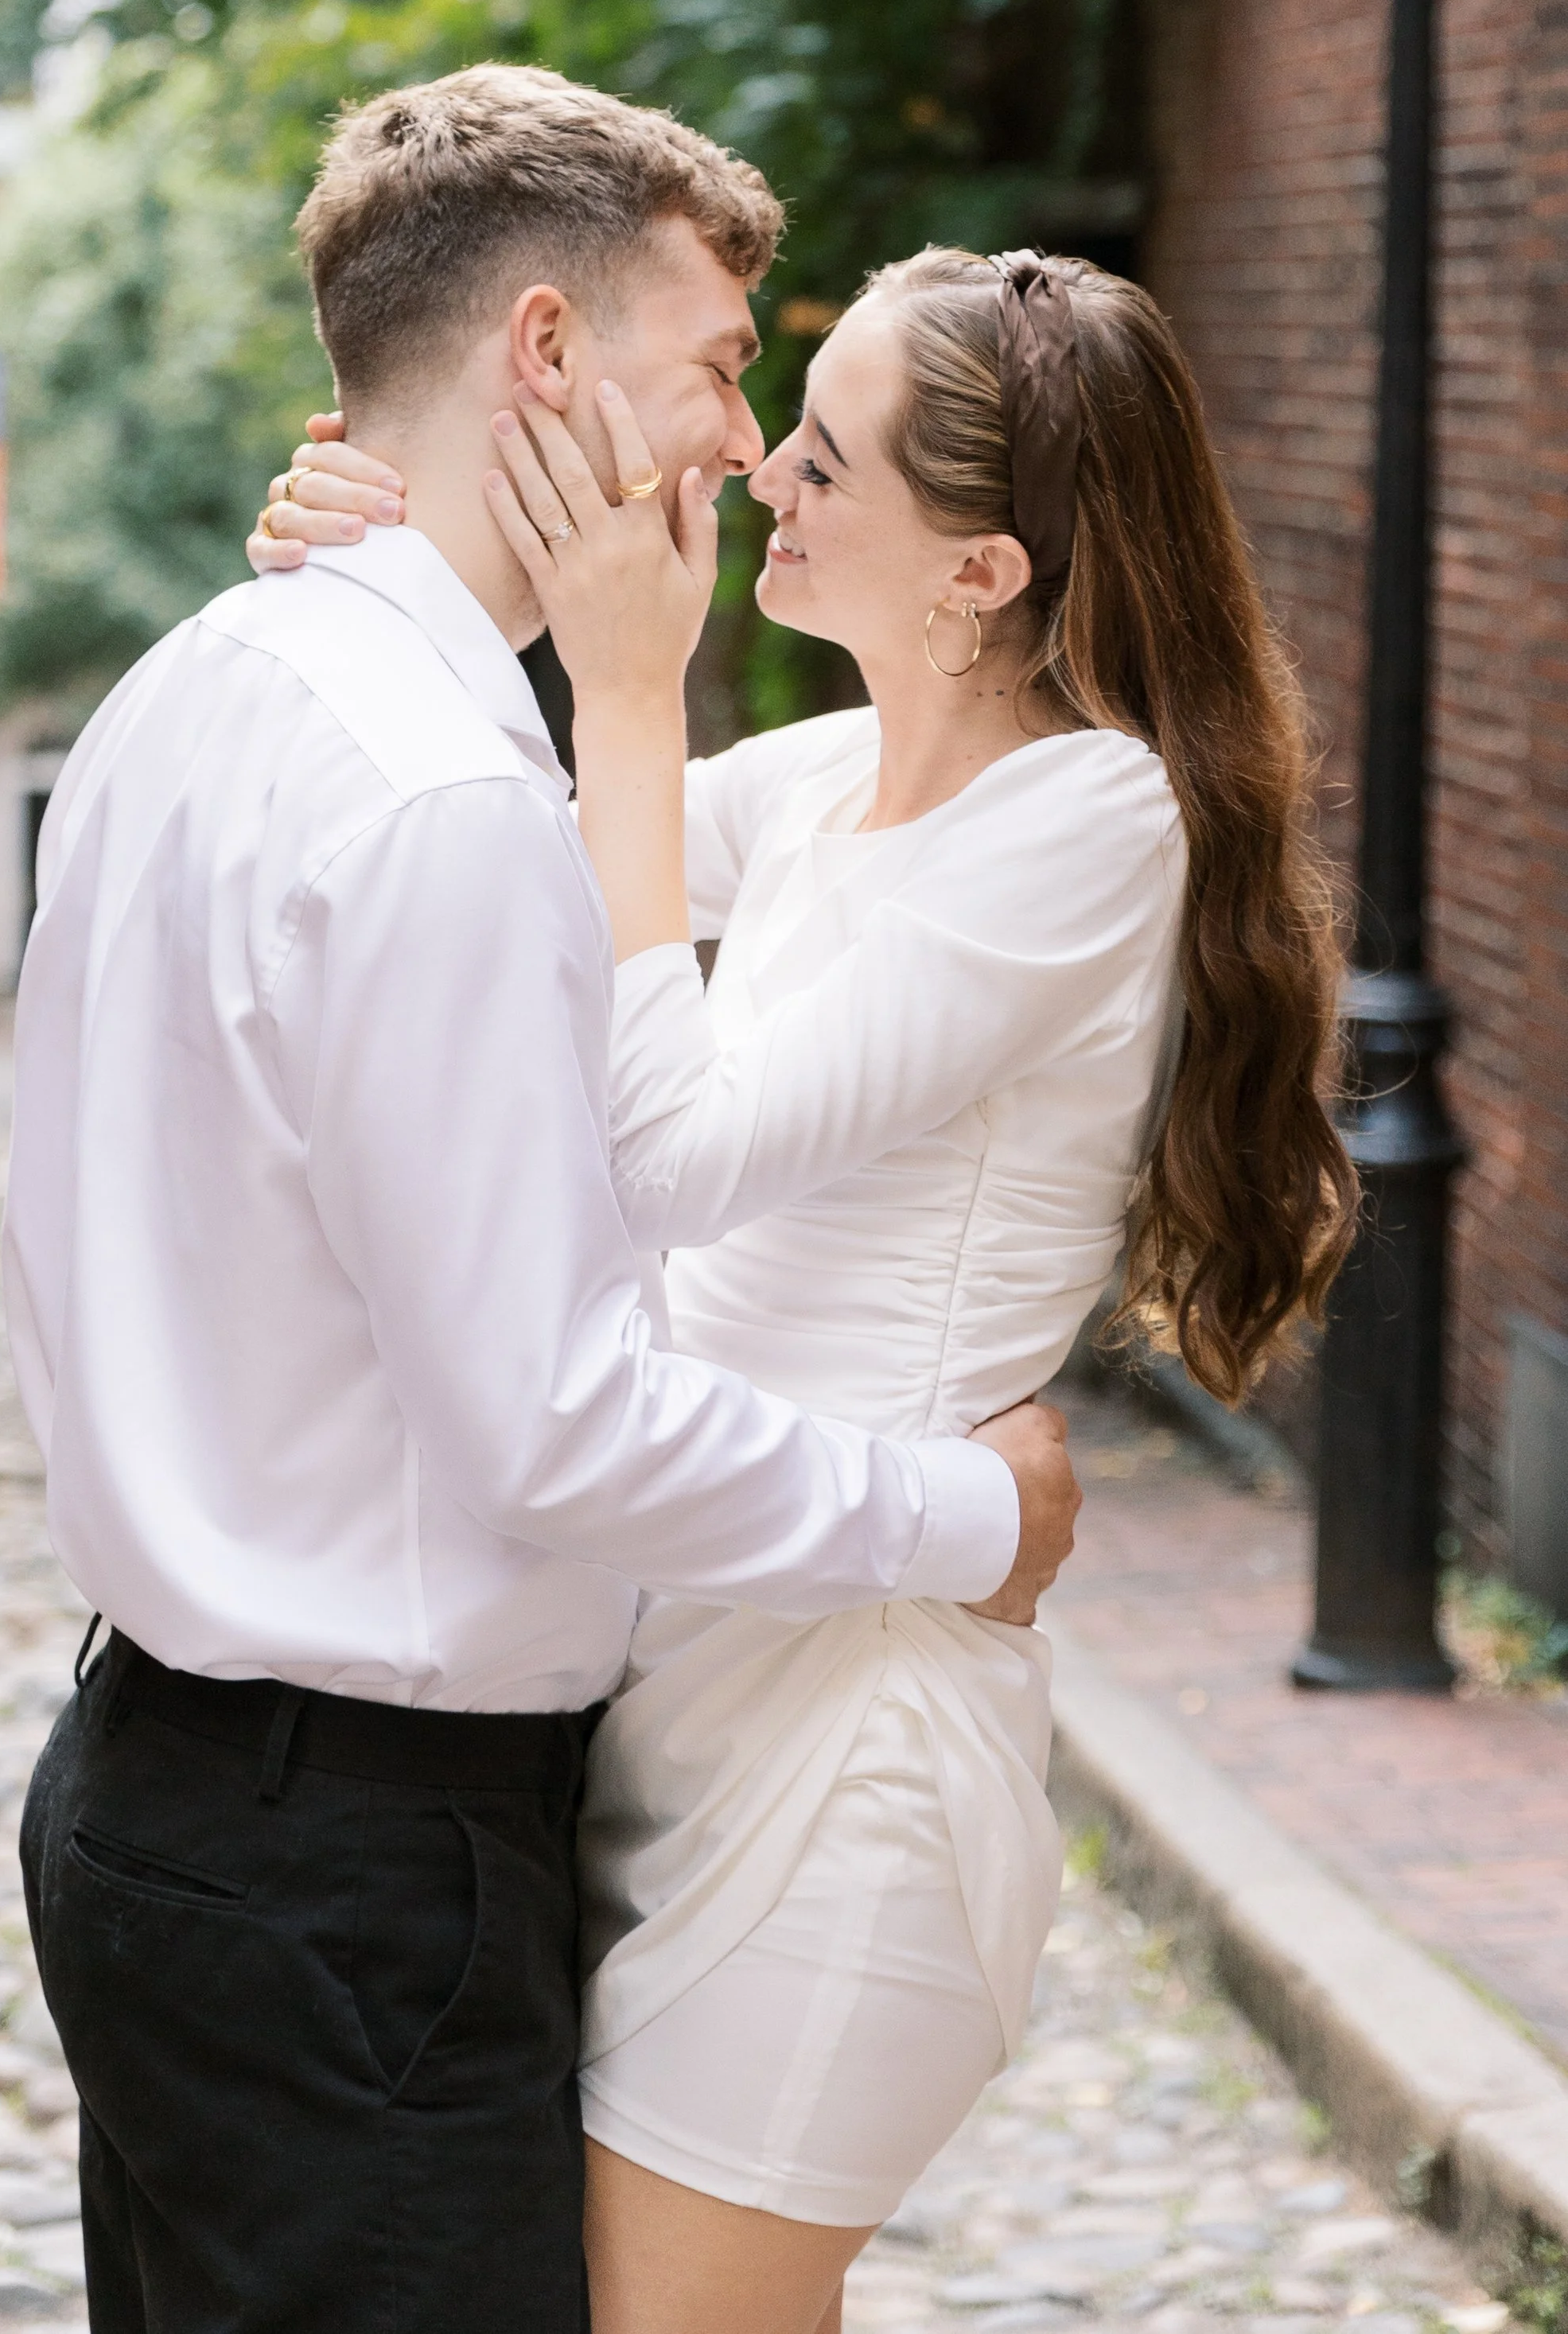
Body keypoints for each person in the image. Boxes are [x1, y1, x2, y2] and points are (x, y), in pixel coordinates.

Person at [6, 66, 1080, 2334]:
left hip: (162, 1803)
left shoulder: (199, 685)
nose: (734, 438)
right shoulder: (433, 802)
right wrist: (966, 1515)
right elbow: (552, 1422)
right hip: (354, 1875)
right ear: (541, 355)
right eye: (709, 368)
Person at [249, 241, 1355, 2334]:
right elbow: (539, 836)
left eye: (823, 460)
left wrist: (636, 686)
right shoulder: (844, 790)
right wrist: (378, 542)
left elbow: (659, 1152)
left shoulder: (1087, 822)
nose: (761, 477)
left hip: (848, 1770)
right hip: (683, 1710)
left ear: (980, 574)